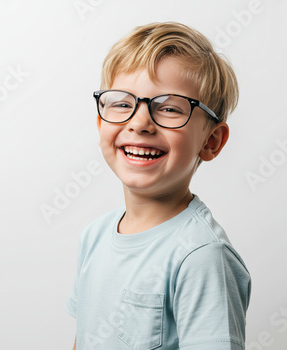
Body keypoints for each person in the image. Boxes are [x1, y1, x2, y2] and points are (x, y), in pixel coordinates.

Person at [65, 21, 251, 350]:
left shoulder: (202, 256)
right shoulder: (93, 237)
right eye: (122, 103)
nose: (139, 123)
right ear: (100, 122)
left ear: (211, 141)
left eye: (168, 108)